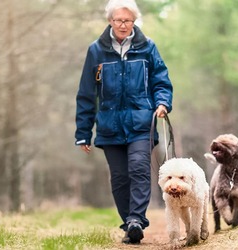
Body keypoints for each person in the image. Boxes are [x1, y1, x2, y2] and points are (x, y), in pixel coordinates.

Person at [74, 0, 173, 244]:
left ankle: (137, 219)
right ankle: (129, 224)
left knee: (139, 168)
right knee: (119, 177)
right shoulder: (96, 51)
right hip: (109, 126)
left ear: (134, 21)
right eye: (118, 20)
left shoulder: (147, 48)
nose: (123, 25)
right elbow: (87, 94)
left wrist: (162, 102)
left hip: (141, 123)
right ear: (109, 20)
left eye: (127, 20)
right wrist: (83, 132)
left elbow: (161, 80)